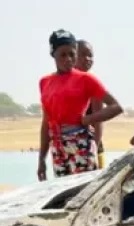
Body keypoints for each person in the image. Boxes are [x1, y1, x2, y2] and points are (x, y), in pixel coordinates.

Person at [38, 29, 123, 181]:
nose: (68, 59)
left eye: (72, 54)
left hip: (81, 143)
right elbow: (46, 123)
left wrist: (87, 120)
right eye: (63, 55)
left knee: (83, 189)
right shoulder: (45, 82)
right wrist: (41, 160)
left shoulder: (86, 79)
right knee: (61, 192)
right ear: (53, 55)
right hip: (57, 145)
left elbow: (116, 107)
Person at [75, 39, 106, 169]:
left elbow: (99, 121)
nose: (87, 58)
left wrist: (93, 148)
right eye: (82, 54)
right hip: (67, 149)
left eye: (90, 55)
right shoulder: (61, 84)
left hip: (90, 147)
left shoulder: (92, 84)